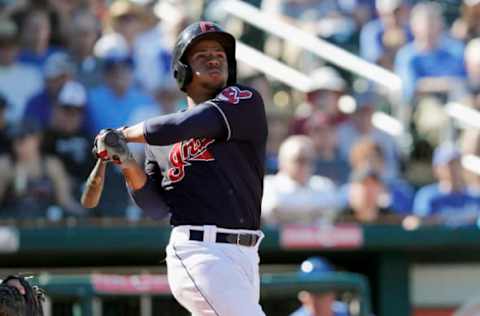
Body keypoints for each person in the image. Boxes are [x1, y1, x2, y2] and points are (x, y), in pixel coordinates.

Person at [93, 21, 268, 315]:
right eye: (202, 54)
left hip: (246, 256)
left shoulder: (243, 102)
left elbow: (185, 125)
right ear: (181, 70)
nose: (214, 57)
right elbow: (156, 207)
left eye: (220, 53)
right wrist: (125, 161)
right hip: (200, 252)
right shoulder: (160, 138)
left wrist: (122, 133)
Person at [262, 135, 339, 225]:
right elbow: (273, 211)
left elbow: (334, 212)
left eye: (309, 159)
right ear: (282, 161)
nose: (305, 165)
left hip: (317, 239)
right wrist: (315, 213)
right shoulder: (268, 184)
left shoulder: (324, 185)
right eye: (299, 159)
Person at [413, 142, 480, 227]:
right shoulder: (427, 196)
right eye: (449, 164)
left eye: (457, 164)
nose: (454, 169)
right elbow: (418, 223)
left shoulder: (475, 196)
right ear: (437, 169)